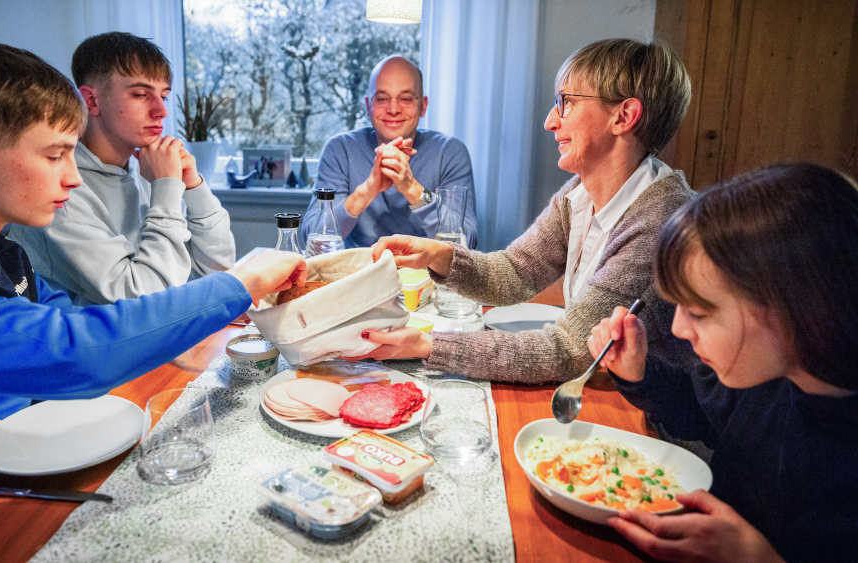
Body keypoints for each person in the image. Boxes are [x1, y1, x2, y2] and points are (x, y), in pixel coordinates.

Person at [0, 40, 305, 535]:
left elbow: (66, 317)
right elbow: (69, 347)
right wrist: (238, 285)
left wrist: (177, 338)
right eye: (54, 156)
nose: (72, 178)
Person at [351, 39, 695, 383]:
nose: (550, 122)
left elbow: (569, 350)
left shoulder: (659, 221)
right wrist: (437, 255)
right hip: (604, 389)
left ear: (624, 116)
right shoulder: (580, 193)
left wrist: (428, 345)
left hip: (648, 420)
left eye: (566, 103)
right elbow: (515, 273)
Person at [586, 163, 858, 562]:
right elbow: (703, 411)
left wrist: (760, 557)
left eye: (699, 312)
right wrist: (640, 374)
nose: (678, 327)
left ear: (792, 311)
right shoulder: (765, 377)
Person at [8, 32, 235, 305]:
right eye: (140, 94)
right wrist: (166, 189)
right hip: (97, 341)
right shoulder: (60, 189)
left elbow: (217, 269)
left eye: (163, 96)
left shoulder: (149, 169)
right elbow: (141, 300)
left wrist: (194, 186)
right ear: (92, 101)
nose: (160, 110)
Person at [298, 55, 479, 249]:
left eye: (406, 99)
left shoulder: (449, 152)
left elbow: (467, 241)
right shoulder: (340, 149)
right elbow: (311, 236)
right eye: (382, 99)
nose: (393, 109)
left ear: (423, 106)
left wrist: (414, 190)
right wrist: (367, 190)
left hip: (427, 274)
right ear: (368, 105)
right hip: (358, 272)